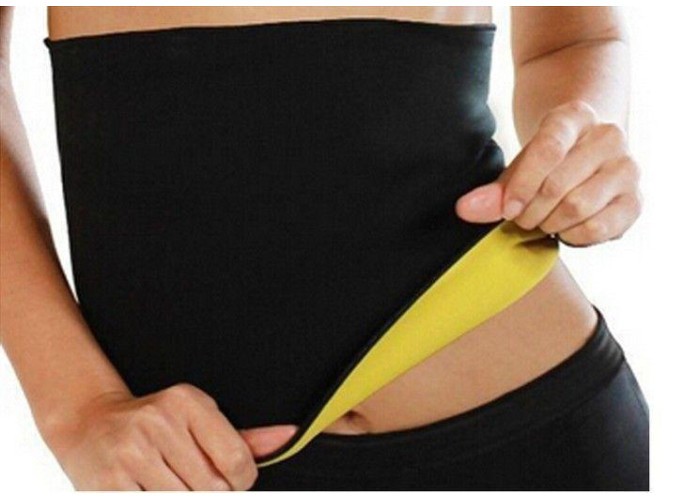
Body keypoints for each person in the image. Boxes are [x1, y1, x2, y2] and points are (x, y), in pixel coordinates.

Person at [0, 6, 648, 491]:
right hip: (192, 469)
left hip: (534, 432)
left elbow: (575, 35)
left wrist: (583, 137)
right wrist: (75, 407)